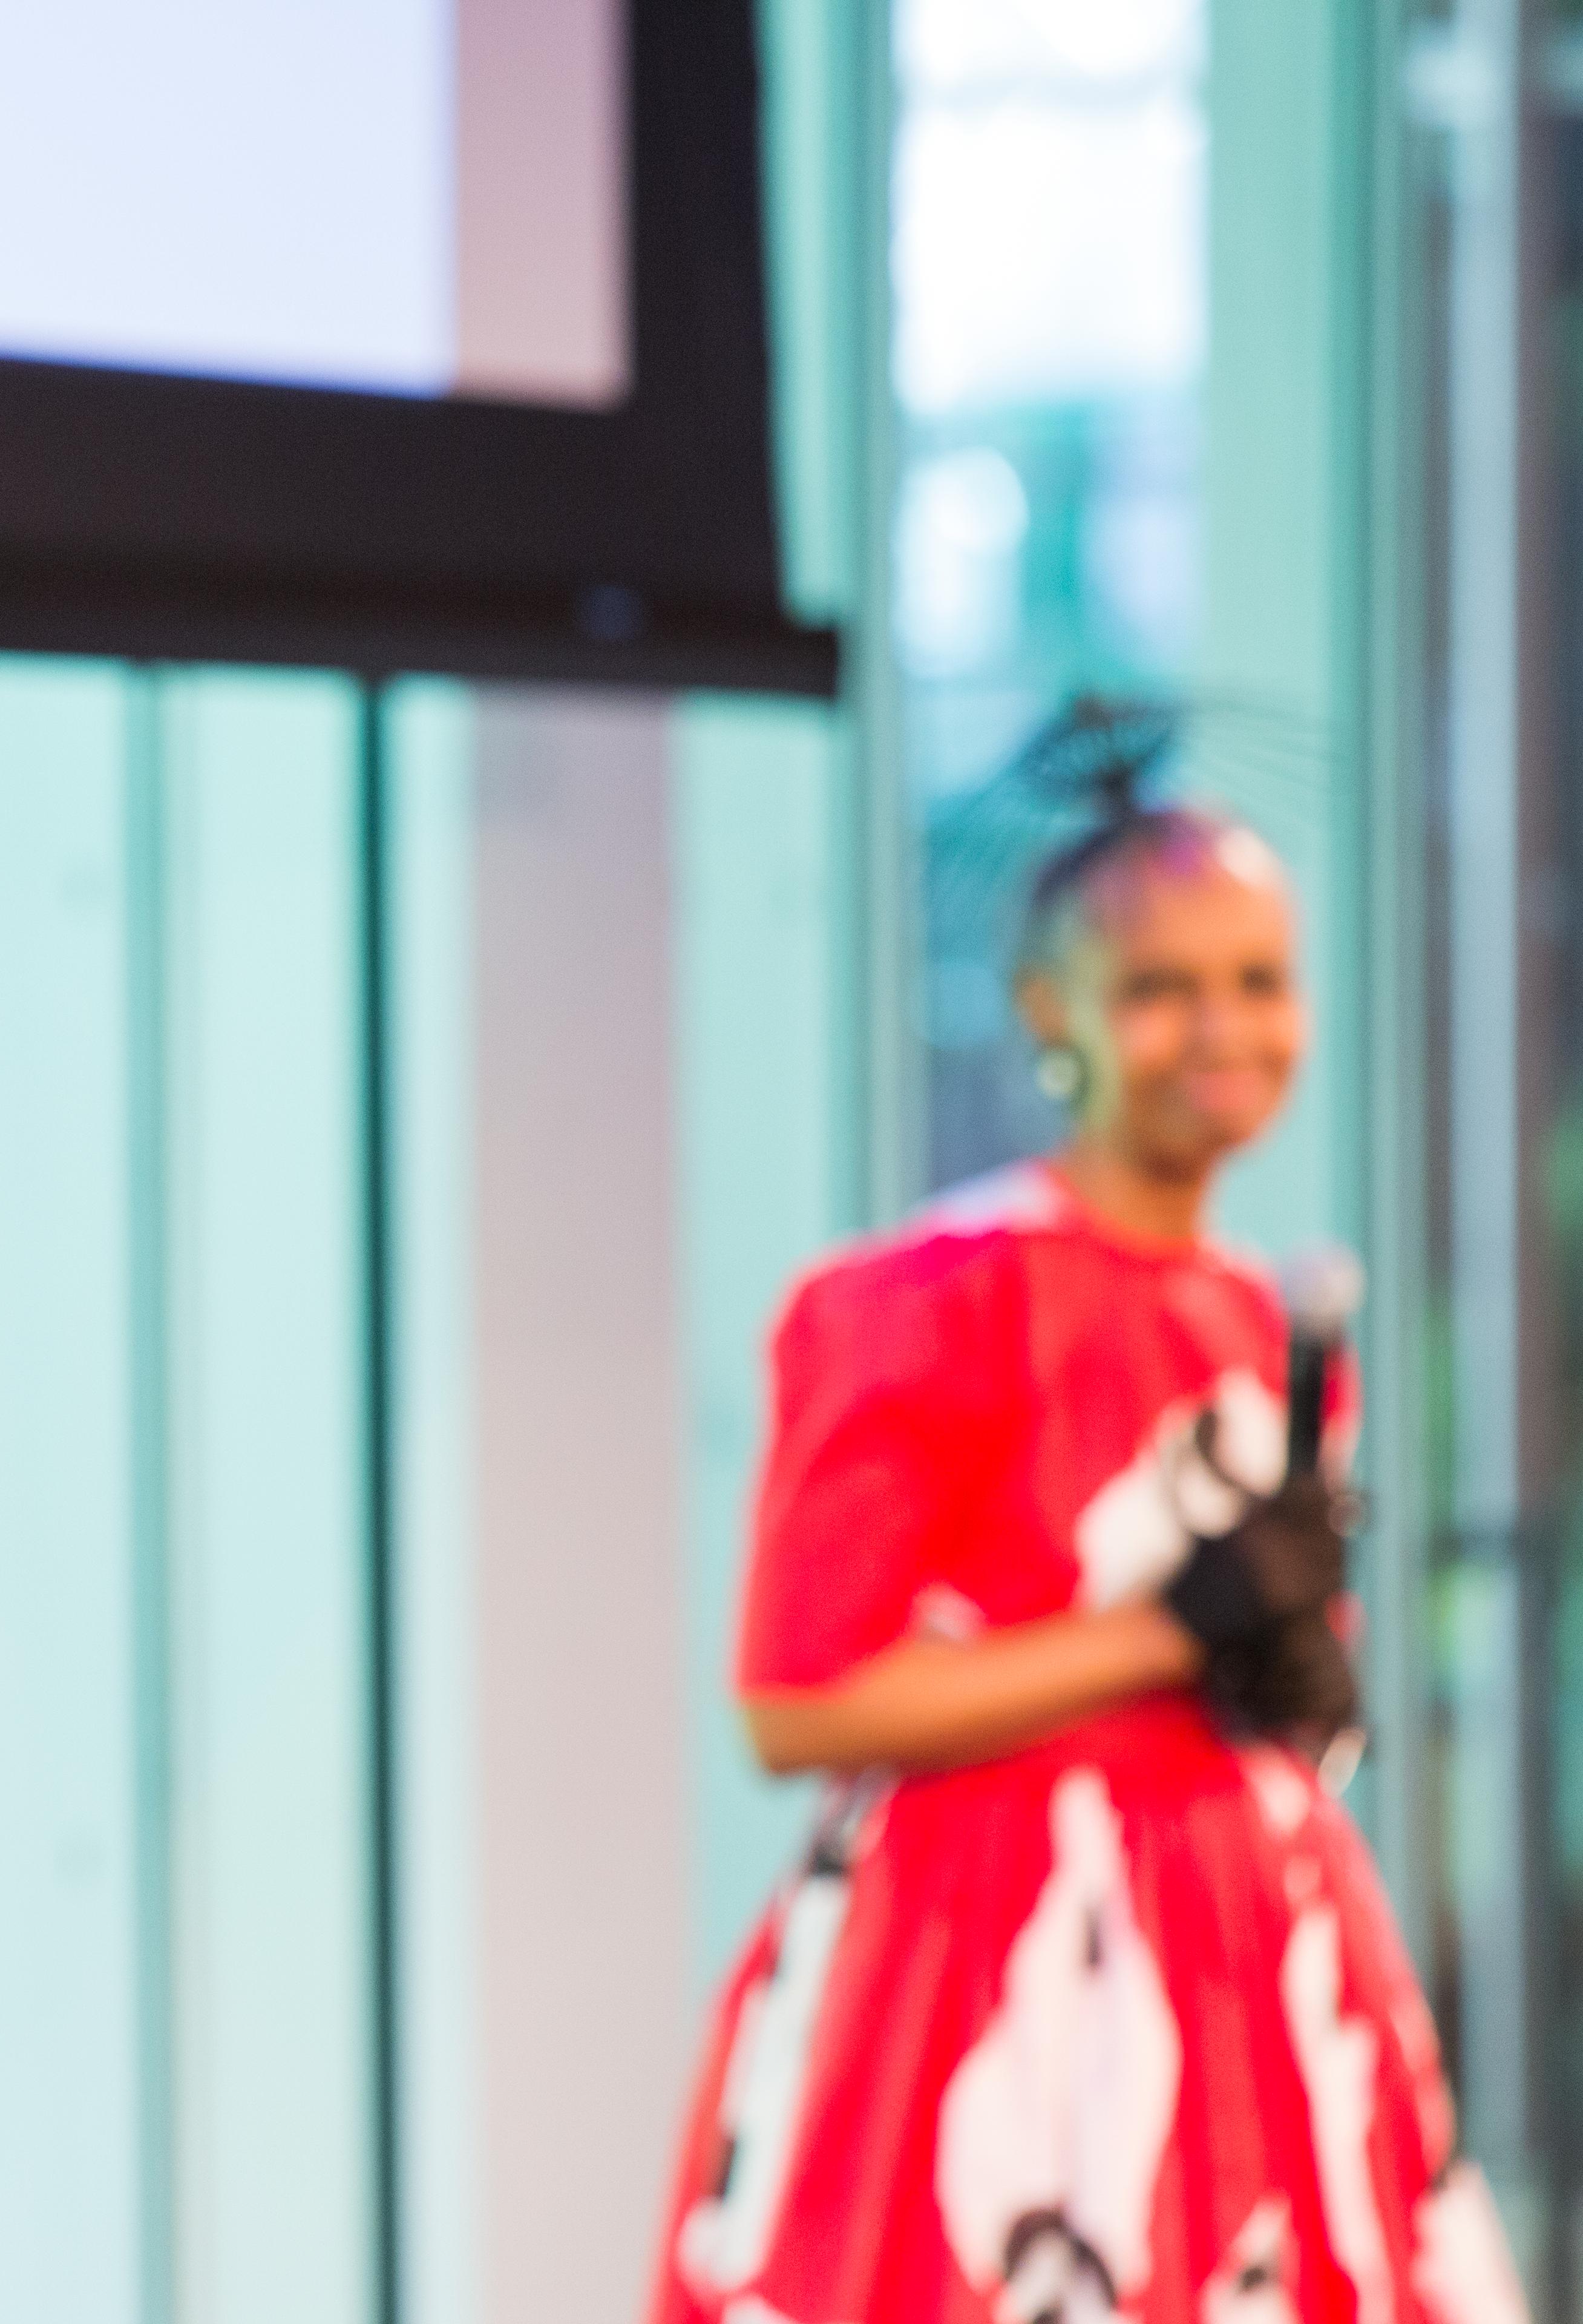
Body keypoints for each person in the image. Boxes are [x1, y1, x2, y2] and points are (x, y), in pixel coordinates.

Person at [647, 780, 1524, 2324]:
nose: (1223, 1030)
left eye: (1259, 980)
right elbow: (795, 1708)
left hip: (1253, 1944)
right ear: (1053, 1008)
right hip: (991, 1963)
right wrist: (1169, 1630)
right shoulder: (928, 1297)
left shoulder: (1266, 1312)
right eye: (1161, 988)